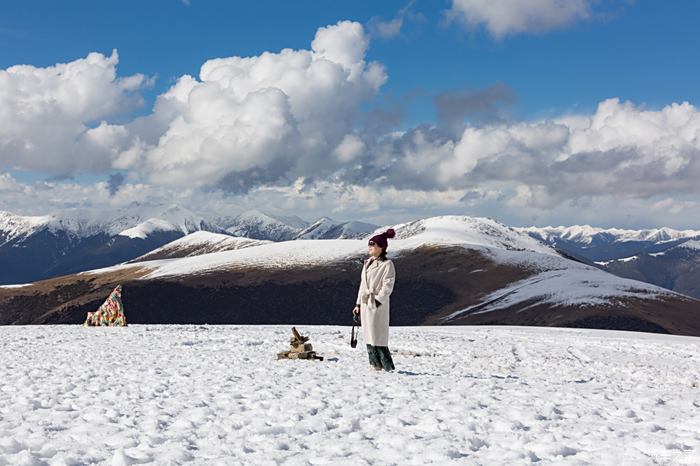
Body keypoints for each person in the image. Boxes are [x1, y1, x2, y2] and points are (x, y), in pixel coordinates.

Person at [353, 228, 397, 371]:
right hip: (366, 303)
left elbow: (388, 285)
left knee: (378, 335)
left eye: (373, 245)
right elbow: (362, 285)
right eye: (369, 245)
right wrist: (358, 304)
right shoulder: (367, 263)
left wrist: (377, 301)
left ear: (382, 247)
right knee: (368, 335)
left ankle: (387, 367)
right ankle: (374, 365)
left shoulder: (387, 264)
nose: (370, 247)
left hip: (377, 305)